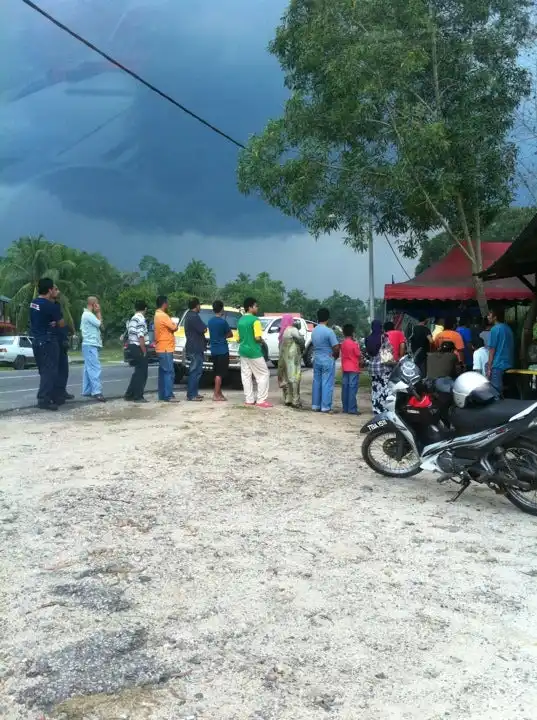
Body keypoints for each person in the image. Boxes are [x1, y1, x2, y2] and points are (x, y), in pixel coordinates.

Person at [30, 277, 62, 411]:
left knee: (44, 371)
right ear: (49, 290)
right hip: (47, 341)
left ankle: (49, 396)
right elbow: (61, 323)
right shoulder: (50, 306)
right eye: (54, 288)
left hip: (36, 340)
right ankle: (44, 399)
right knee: (50, 371)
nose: (56, 291)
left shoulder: (33, 303)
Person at [237, 297, 272, 408]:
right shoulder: (255, 320)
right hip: (254, 351)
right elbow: (257, 337)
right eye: (256, 306)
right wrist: (261, 340)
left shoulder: (240, 320)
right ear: (250, 307)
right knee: (263, 374)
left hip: (243, 351)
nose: (257, 308)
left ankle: (249, 399)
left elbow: (238, 339)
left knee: (246, 375)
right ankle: (261, 400)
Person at [311, 308, 340, 413]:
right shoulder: (329, 331)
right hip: (327, 358)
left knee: (316, 381)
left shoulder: (314, 331)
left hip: (317, 358)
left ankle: (315, 405)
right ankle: (325, 407)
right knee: (327, 382)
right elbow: (336, 347)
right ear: (328, 318)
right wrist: (335, 355)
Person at [80, 296, 105, 401]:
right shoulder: (88, 315)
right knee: (95, 368)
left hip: (88, 344)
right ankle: (96, 391)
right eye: (97, 304)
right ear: (93, 304)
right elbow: (101, 325)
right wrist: (98, 312)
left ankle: (87, 390)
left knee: (88, 368)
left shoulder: (87, 315)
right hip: (90, 344)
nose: (98, 306)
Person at [154, 295, 179, 403]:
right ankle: (168, 395)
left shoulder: (156, 315)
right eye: (167, 303)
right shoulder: (163, 316)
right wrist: (174, 324)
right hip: (166, 348)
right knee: (169, 372)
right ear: (164, 303)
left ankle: (162, 395)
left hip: (160, 347)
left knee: (163, 373)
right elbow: (174, 327)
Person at [366, 319, 393, 414]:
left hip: (373, 367)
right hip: (383, 367)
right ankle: (383, 409)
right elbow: (388, 351)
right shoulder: (384, 337)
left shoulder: (368, 338)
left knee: (375, 388)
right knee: (384, 388)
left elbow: (368, 353)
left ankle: (376, 408)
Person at [124, 300, 149, 403]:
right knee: (142, 373)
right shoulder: (140, 319)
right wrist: (144, 350)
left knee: (137, 372)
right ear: (145, 309)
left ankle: (129, 394)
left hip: (132, 346)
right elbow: (141, 335)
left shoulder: (133, 319)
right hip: (138, 346)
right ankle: (138, 396)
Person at [278, 314, 305, 408]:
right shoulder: (292, 329)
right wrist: (302, 349)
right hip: (293, 358)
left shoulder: (282, 332)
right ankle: (295, 401)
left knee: (287, 378)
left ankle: (287, 399)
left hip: (284, 359)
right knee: (295, 378)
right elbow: (301, 340)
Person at [208, 300, 232, 401]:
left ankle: (219, 393)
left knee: (216, 372)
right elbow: (230, 334)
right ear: (222, 308)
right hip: (222, 350)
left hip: (214, 350)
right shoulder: (223, 322)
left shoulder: (210, 321)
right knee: (220, 374)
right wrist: (224, 336)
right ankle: (215, 395)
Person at [53, 288, 74, 404]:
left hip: (62, 339)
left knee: (64, 369)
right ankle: (56, 394)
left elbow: (63, 322)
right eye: (56, 289)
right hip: (55, 340)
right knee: (56, 370)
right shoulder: (50, 306)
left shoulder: (59, 305)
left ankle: (62, 391)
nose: (59, 291)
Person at [184, 297, 207, 401]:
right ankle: (192, 394)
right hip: (195, 347)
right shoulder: (194, 316)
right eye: (199, 305)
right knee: (195, 370)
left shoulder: (189, 315)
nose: (200, 307)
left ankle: (194, 393)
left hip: (194, 346)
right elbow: (203, 329)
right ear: (196, 305)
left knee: (197, 371)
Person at [487, 307, 514, 393]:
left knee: (496, 392)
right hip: (509, 363)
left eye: (489, 315)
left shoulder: (494, 329)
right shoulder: (508, 328)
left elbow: (492, 350)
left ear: (495, 317)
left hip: (497, 365)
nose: (487, 317)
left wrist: (489, 368)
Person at [340, 323, 360, 414]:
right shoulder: (354, 343)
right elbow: (358, 354)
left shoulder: (343, 343)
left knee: (345, 388)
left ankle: (345, 407)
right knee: (352, 388)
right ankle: (352, 409)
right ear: (352, 332)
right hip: (353, 368)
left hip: (345, 367)